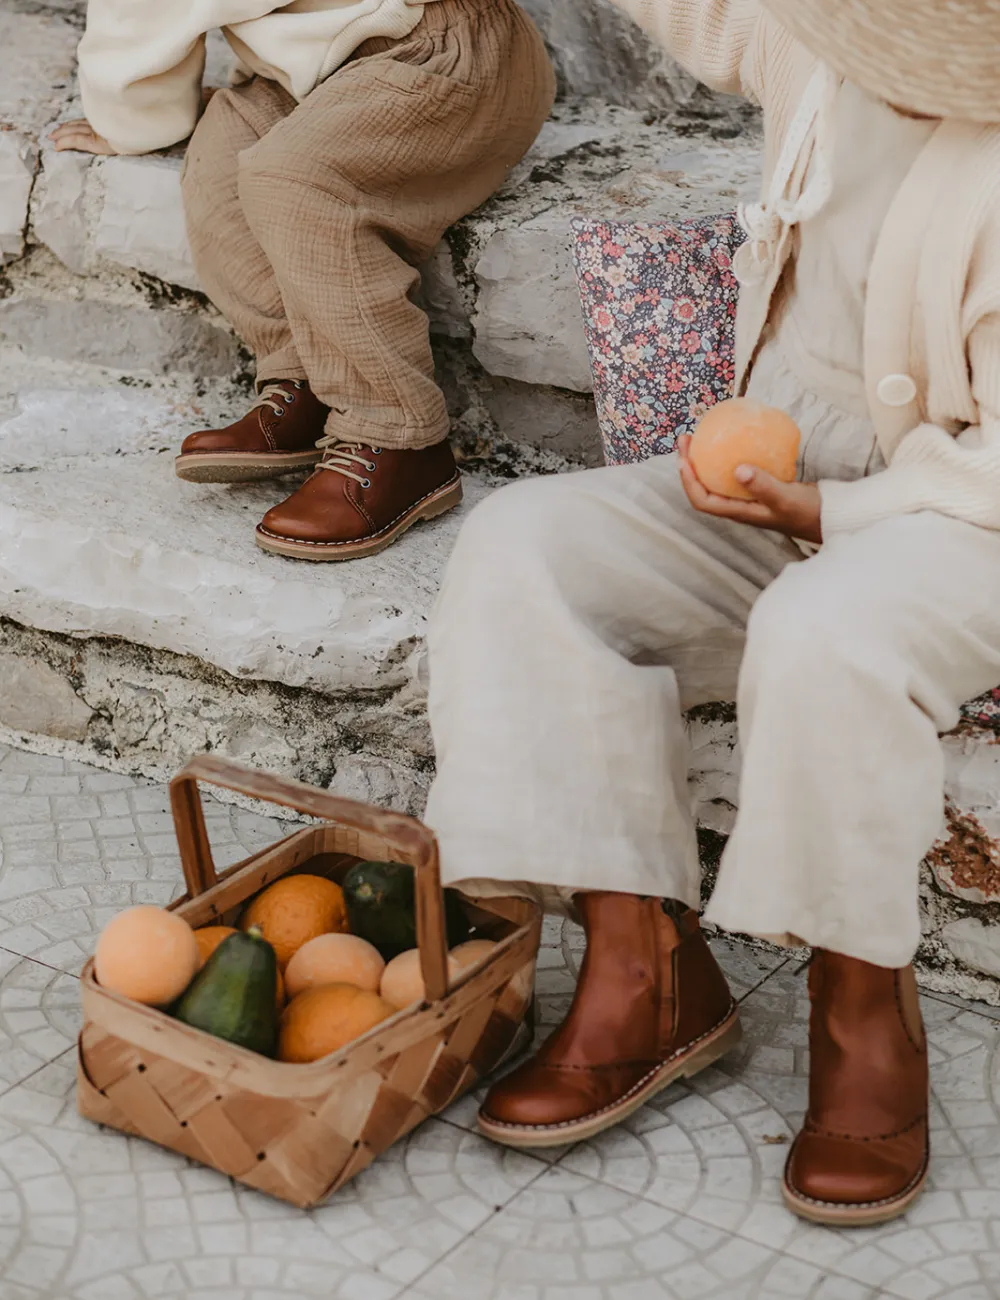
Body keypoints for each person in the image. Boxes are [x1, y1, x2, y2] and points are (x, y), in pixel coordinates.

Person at [423, 0, 1000, 1226]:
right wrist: (797, 504)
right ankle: (645, 968)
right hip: (783, 475)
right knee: (524, 548)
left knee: (826, 634)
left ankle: (861, 1003)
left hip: (962, 515)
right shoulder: (820, 39)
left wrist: (832, 521)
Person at [53, 0, 554, 561]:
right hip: (306, 73)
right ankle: (309, 379)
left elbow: (139, 20)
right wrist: (154, 119)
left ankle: (398, 434)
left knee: (298, 179)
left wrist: (133, 119)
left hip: (443, 54)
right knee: (221, 157)